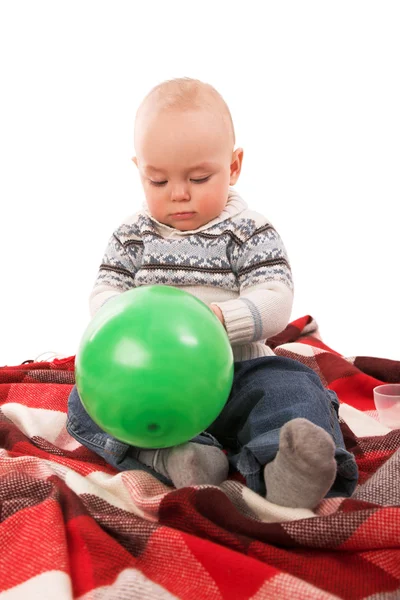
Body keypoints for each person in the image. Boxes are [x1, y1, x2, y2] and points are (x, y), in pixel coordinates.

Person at [67, 77, 358, 509]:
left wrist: (222, 319)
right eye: (158, 180)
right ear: (139, 170)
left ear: (234, 166)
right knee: (83, 399)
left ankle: (285, 467)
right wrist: (126, 319)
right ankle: (174, 455)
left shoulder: (247, 231)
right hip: (152, 386)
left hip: (239, 374)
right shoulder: (132, 236)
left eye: (199, 177)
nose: (179, 193)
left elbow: (275, 295)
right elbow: (105, 292)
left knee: (294, 384)